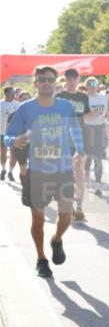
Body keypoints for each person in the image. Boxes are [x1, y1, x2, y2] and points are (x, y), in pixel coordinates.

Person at [2, 66, 83, 278]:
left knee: (66, 217)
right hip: (37, 171)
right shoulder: (25, 109)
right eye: (42, 80)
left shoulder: (65, 107)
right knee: (38, 219)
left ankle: (56, 239)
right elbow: (6, 136)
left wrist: (80, 151)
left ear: (56, 83)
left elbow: (75, 130)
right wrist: (14, 140)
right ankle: (41, 258)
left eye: (50, 79)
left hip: (63, 169)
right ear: (35, 83)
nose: (46, 83)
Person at [55, 69, 90, 220]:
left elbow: (85, 116)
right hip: (62, 139)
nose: (71, 81)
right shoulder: (59, 97)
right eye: (69, 79)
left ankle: (80, 207)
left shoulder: (83, 97)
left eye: (74, 78)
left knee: (79, 173)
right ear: (65, 80)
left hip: (81, 138)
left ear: (78, 79)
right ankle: (67, 204)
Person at [82, 78, 108, 196]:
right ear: (86, 86)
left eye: (95, 84)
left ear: (98, 86)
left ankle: (98, 185)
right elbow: (81, 116)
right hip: (87, 129)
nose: (92, 87)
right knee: (88, 155)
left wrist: (108, 131)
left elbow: (106, 113)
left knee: (98, 157)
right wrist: (91, 114)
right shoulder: (83, 98)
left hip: (100, 129)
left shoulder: (103, 97)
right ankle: (86, 172)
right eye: (90, 84)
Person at [1, 86, 20, 181]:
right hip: (1, 133)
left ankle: (10, 172)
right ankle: (3, 169)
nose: (13, 95)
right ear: (6, 94)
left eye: (14, 93)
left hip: (14, 134)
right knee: (3, 153)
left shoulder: (18, 105)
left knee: (14, 155)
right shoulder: (0, 104)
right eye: (11, 93)